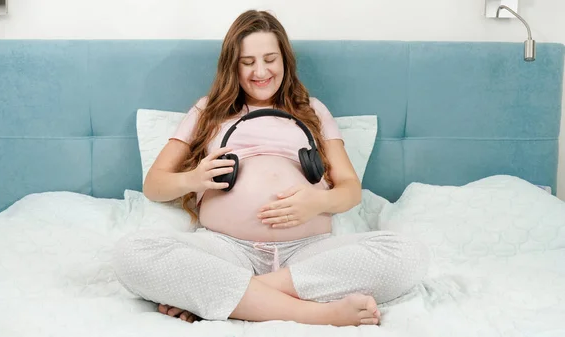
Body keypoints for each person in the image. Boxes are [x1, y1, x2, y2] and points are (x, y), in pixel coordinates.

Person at [113, 9, 429, 327]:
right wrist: (194, 178)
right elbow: (154, 185)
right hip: (225, 249)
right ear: (232, 65)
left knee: (408, 255)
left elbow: (350, 189)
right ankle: (317, 314)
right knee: (132, 253)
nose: (260, 71)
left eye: (270, 59)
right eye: (247, 62)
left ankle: (228, 297)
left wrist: (316, 201)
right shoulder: (207, 109)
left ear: (284, 61)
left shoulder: (313, 110)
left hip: (308, 252)